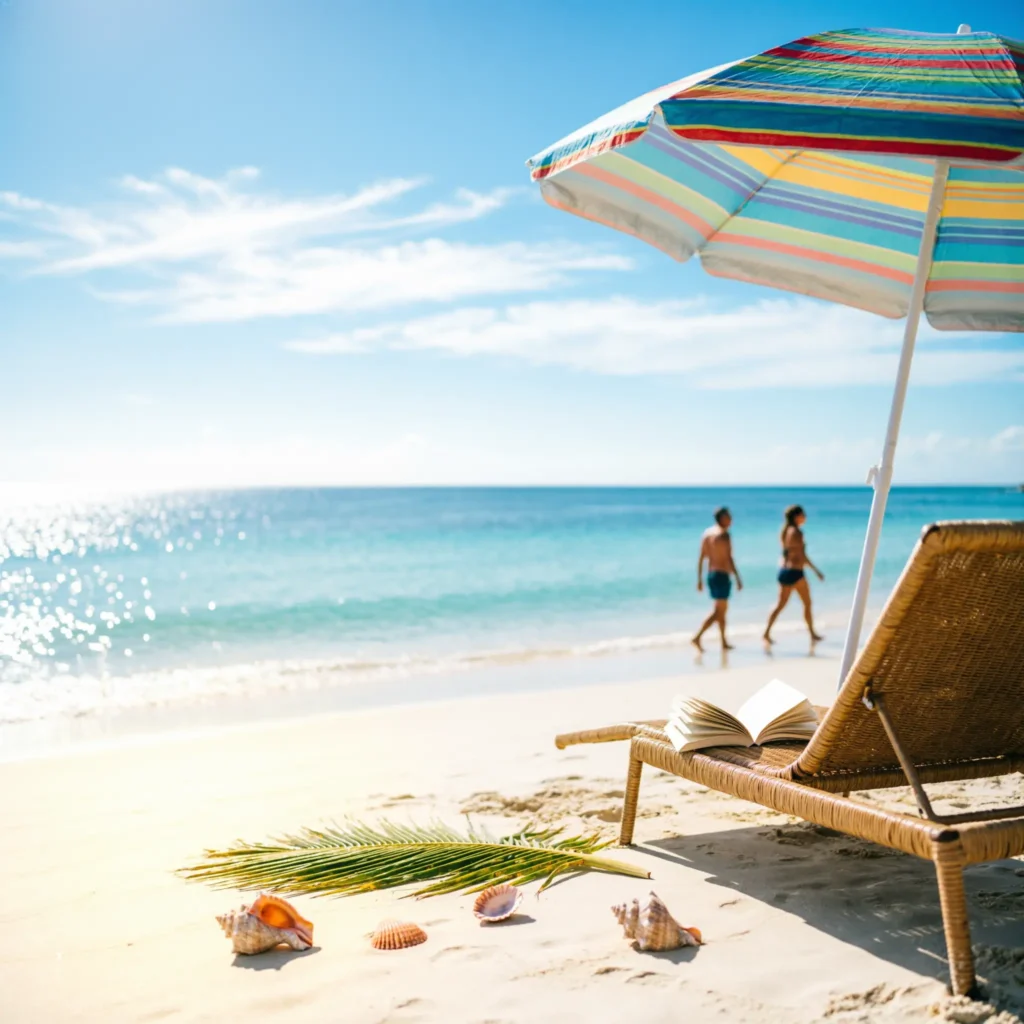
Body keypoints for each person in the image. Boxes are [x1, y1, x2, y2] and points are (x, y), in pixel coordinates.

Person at [763, 504, 825, 645]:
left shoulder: (785, 531)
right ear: (797, 516)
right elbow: (802, 556)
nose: (805, 517)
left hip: (784, 571)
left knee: (780, 605)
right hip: (795, 572)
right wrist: (816, 571)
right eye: (803, 514)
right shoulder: (797, 532)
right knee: (807, 603)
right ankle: (812, 634)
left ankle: (766, 633)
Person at [692, 507, 742, 652]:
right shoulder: (724, 535)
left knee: (721, 610)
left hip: (711, 575)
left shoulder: (707, 534)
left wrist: (700, 579)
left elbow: (702, 558)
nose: (731, 519)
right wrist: (737, 577)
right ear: (722, 518)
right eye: (728, 517)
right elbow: (729, 558)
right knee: (719, 612)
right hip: (722, 575)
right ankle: (698, 637)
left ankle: (723, 641)